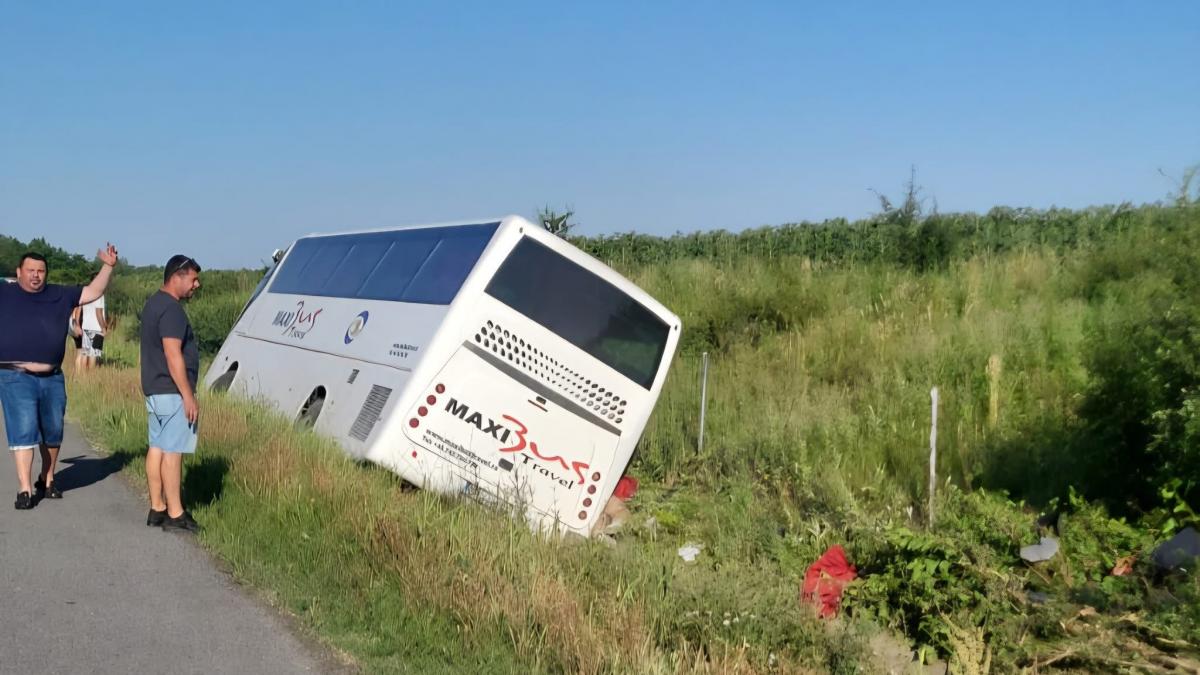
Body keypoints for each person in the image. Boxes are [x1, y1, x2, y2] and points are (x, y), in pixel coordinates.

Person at [0, 246, 119, 509]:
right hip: (14, 374)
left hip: (52, 376)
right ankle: (24, 489)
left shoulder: (59, 294)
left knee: (53, 430)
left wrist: (108, 266)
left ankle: (48, 477)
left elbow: (94, 291)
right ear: (18, 272)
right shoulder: (5, 292)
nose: (35, 275)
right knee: (24, 428)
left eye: (40, 271)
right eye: (30, 270)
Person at [141, 254, 202, 532]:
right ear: (177, 276)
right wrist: (187, 395)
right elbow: (172, 353)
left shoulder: (154, 303)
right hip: (171, 391)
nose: (196, 284)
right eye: (193, 278)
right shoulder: (173, 310)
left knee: (156, 447)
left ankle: (157, 507)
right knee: (173, 451)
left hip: (155, 389)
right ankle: (176, 512)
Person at [75, 294, 107, 370]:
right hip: (96, 327)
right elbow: (98, 312)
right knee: (93, 354)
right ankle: (91, 374)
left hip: (86, 326)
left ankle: (83, 375)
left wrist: (78, 325)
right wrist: (103, 328)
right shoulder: (99, 296)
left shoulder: (87, 294)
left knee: (85, 353)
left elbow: (79, 309)